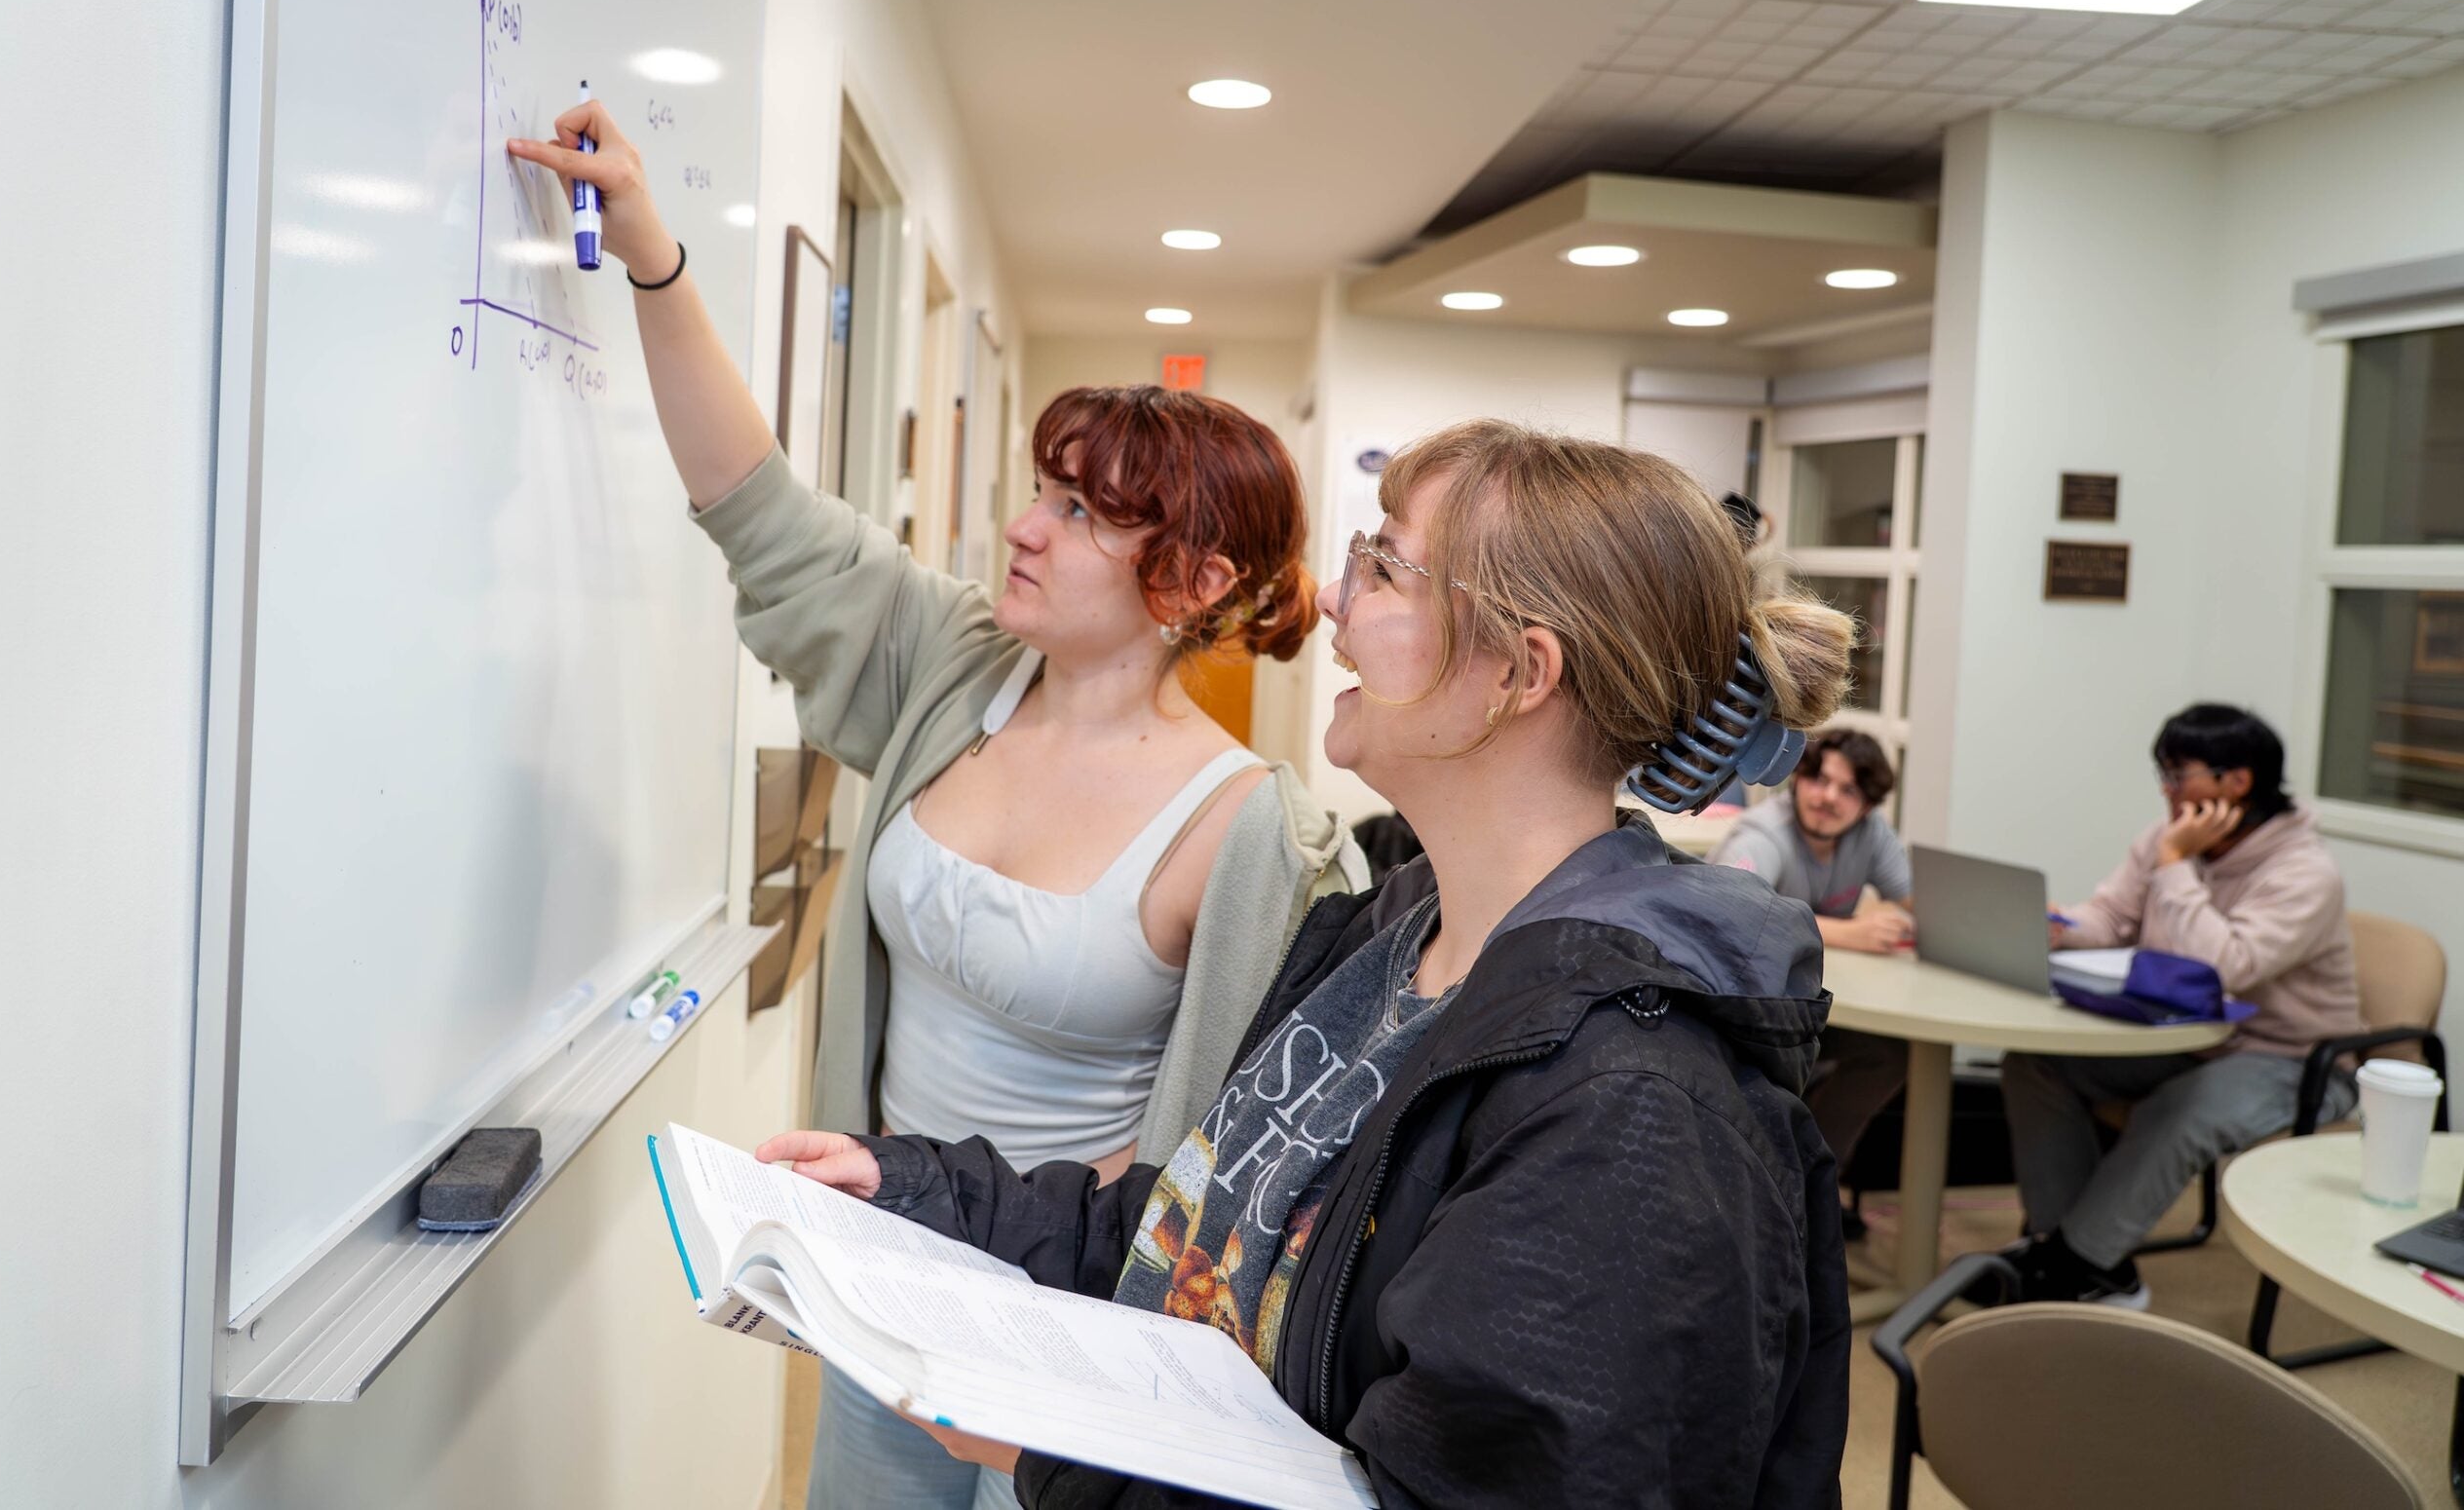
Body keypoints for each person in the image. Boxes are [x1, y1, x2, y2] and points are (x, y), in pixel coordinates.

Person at [509, 103, 1366, 1510]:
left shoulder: (1253, 830)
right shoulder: (952, 661)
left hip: (1072, 1333)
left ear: (1198, 582)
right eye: (1043, 492)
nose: (1026, 525)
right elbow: (751, 497)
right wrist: (653, 260)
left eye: (1085, 514)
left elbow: (1244, 1154)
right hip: (879, 1272)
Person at [758, 420, 1859, 1507]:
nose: (1330, 599)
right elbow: (1194, 1236)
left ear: (1517, 674)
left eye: (1381, 566)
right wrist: (910, 1188)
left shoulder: (1631, 1108)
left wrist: (1064, 1457)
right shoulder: (1387, 945)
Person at [2001, 703, 2367, 1307]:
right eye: (2163, 776)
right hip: (2185, 1038)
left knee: (2181, 1111)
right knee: (2033, 1063)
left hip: (2290, 1060)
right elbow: (2115, 916)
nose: (2168, 791)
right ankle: (2078, 1254)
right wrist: (2063, 927)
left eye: (2179, 775)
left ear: (2238, 782)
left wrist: (2175, 865)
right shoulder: (2168, 842)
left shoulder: (2305, 872)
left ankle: (2073, 1264)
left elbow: (2223, 969)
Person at [1709, 730, 1915, 1195]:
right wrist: (1850, 932)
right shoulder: (1762, 835)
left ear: (1867, 805)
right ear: (1797, 778)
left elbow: (1914, 901)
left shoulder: (1870, 835)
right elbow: (1730, 917)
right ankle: (1767, 1184)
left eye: (1849, 790)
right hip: (1754, 1020)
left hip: (1817, 1010)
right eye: (1818, 779)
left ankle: (1811, 1180)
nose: (1827, 798)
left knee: (1888, 1056)